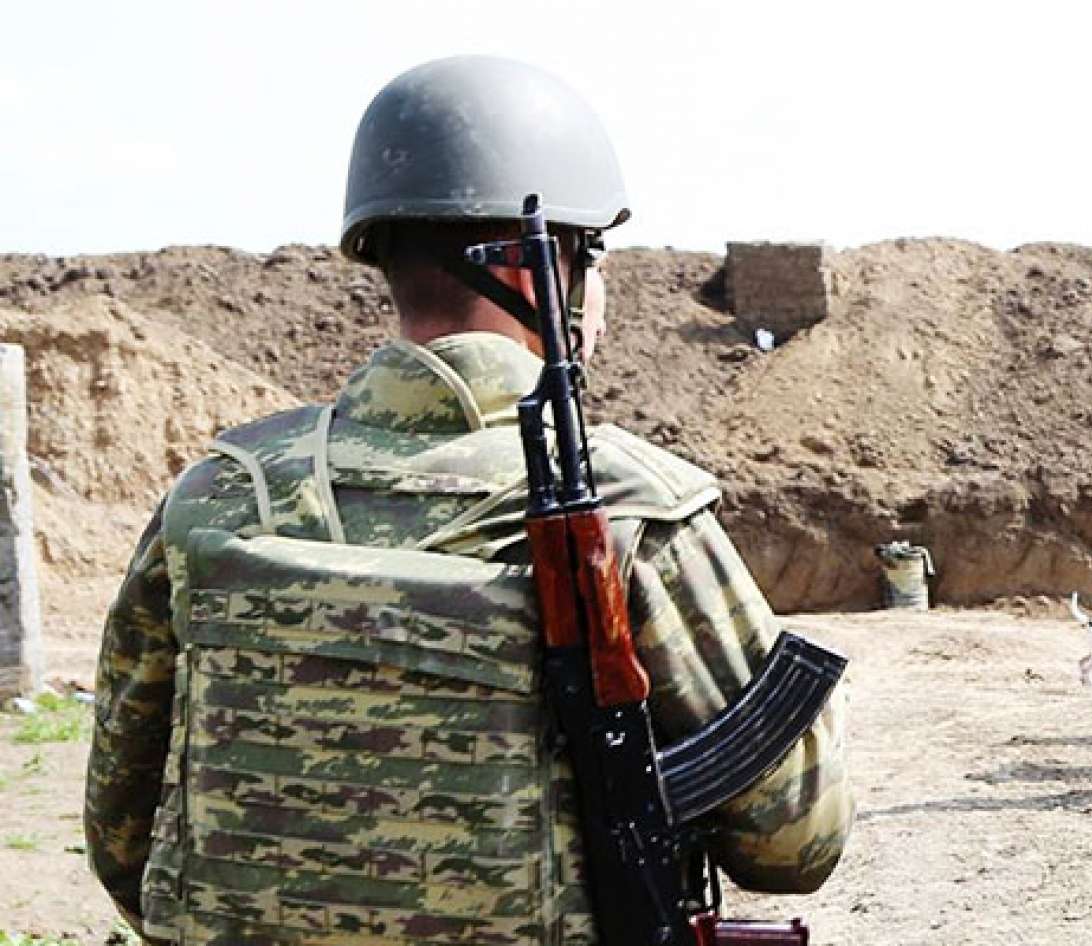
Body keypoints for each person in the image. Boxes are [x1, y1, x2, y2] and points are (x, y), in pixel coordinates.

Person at [84, 55, 853, 946]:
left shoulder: (220, 494)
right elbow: (794, 842)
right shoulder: (635, 509)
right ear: (538, 270)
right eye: (594, 255)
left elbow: (122, 836)